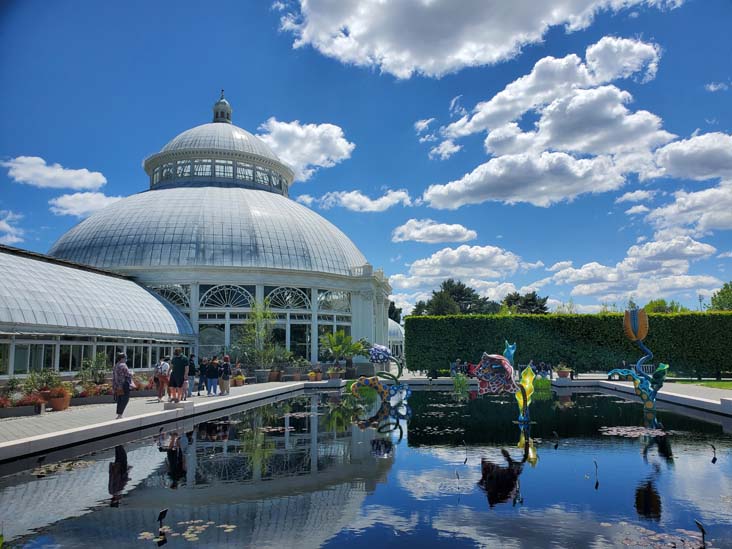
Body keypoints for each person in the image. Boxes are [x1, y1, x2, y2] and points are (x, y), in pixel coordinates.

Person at [112, 352, 134, 419]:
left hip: (118, 385)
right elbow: (128, 374)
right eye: (125, 358)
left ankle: (119, 414)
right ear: (122, 358)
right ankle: (120, 415)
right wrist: (132, 373)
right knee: (125, 399)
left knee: (120, 399)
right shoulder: (123, 365)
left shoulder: (116, 365)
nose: (126, 359)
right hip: (124, 385)